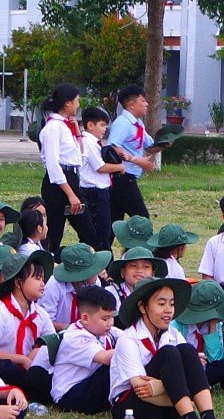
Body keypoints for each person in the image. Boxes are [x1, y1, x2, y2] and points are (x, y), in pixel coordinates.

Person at [108, 273, 224, 419]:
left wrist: (161, 386)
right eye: (161, 303)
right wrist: (179, 392)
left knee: (187, 350)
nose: (169, 310)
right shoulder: (128, 339)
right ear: (143, 307)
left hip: (169, 407)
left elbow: (190, 376)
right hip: (134, 409)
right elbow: (142, 389)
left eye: (171, 304)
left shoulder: (173, 333)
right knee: (169, 353)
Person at [0, 247, 56, 401]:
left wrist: (38, 350)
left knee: (42, 373)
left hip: (30, 368)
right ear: (18, 282)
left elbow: (52, 342)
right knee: (6, 369)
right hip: (3, 368)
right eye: (37, 279)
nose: (42, 284)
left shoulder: (40, 314)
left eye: (43, 279)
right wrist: (21, 359)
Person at [49, 284, 120, 413]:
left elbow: (127, 337)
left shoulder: (102, 329)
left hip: (88, 385)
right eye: (105, 318)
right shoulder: (76, 338)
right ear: (85, 318)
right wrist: (132, 347)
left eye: (112, 316)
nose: (111, 322)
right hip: (69, 395)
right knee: (113, 367)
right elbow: (106, 358)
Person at [37, 82, 89, 252]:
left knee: (89, 233)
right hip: (58, 184)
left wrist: (78, 133)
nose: (78, 104)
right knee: (55, 234)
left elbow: (81, 157)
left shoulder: (66, 126)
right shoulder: (53, 128)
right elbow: (53, 165)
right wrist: (71, 195)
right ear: (67, 103)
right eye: (77, 100)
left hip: (71, 179)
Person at [105, 85, 157, 224]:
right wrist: (137, 160)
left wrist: (166, 141)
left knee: (114, 220)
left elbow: (149, 146)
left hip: (128, 177)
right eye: (143, 101)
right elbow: (113, 147)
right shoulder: (123, 123)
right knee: (142, 220)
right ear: (132, 104)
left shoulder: (137, 124)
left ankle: (108, 239)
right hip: (121, 177)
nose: (147, 104)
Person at [74, 102, 118, 251]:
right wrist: (120, 167)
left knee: (101, 231)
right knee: (101, 232)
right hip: (94, 192)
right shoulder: (88, 142)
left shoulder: (93, 143)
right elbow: (100, 167)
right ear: (90, 125)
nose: (105, 129)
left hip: (98, 191)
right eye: (102, 125)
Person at [43, 243, 111, 329]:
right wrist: (75, 329)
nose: (98, 272)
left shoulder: (95, 283)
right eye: (94, 269)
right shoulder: (53, 286)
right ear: (83, 275)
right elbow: (46, 323)